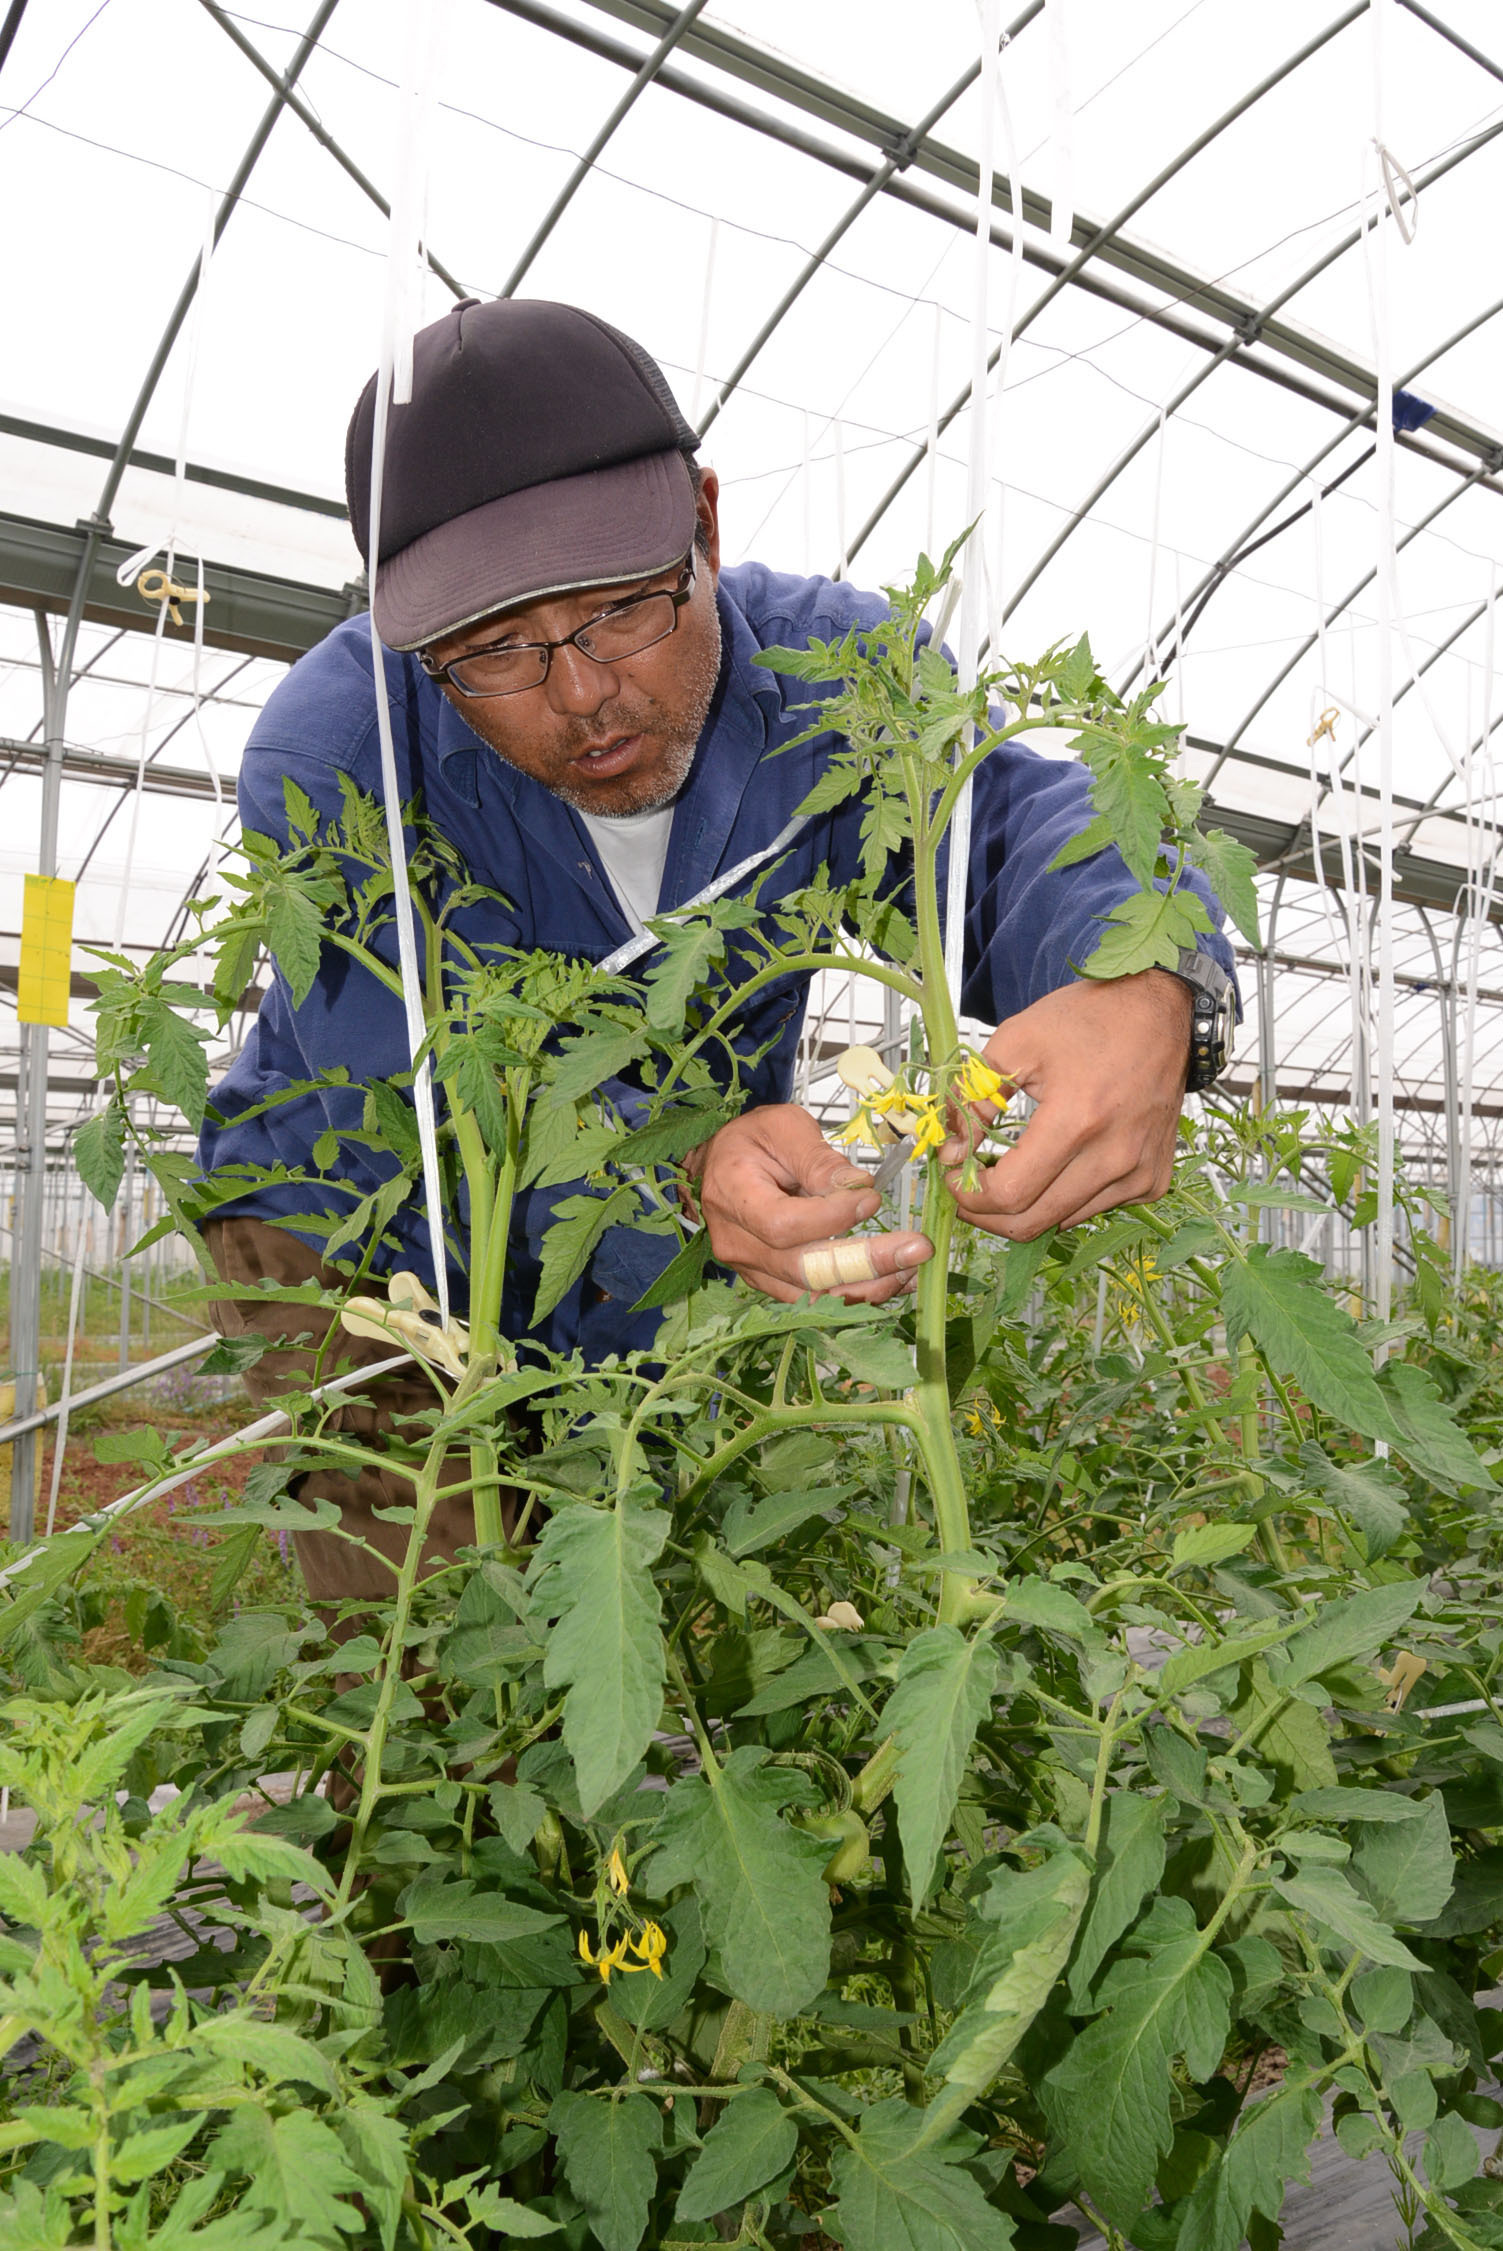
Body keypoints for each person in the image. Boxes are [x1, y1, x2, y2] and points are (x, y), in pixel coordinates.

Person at [199, 296, 1236, 1601]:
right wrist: (690, 1159)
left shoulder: (837, 678)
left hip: (655, 1233)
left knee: (637, 1565)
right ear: (419, 649)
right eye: (495, 651)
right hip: (355, 1228)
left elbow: (1016, 829)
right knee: (434, 1650)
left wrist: (1139, 975)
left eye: (623, 610)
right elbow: (450, 1070)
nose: (581, 694)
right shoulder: (340, 755)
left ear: (705, 522)